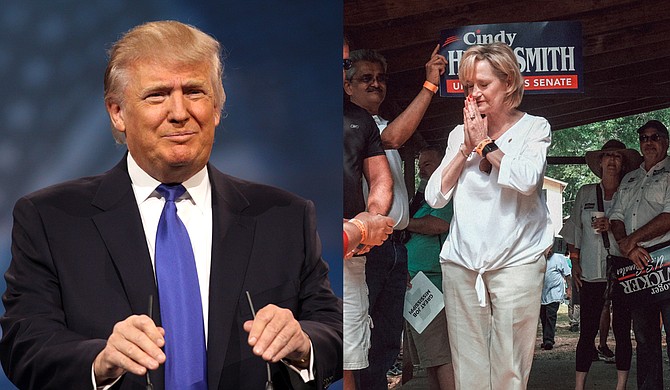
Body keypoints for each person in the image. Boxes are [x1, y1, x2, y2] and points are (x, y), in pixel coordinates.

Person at [0, 21, 342, 390]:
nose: (179, 112)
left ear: (216, 107)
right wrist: (98, 362)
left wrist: (303, 344)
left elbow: (332, 330)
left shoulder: (284, 216)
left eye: (194, 92)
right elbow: (26, 344)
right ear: (117, 112)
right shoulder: (51, 219)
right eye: (157, 95)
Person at [424, 42, 553, 390]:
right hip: (462, 264)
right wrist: (465, 147)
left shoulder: (534, 128)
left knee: (509, 368)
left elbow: (526, 181)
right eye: (469, 87)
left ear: (508, 83)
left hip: (516, 262)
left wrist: (486, 145)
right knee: (468, 368)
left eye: (484, 84)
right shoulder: (458, 135)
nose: (475, 93)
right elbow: (435, 197)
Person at [344, 45, 446, 390]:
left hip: (394, 247)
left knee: (387, 338)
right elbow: (393, 138)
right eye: (365, 78)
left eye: (380, 78)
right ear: (347, 87)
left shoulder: (381, 123)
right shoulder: (353, 127)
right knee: (359, 336)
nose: (376, 84)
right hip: (364, 243)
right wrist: (430, 86)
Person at [561, 139, 641, 390]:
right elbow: (574, 229)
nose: (612, 160)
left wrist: (614, 226)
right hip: (591, 271)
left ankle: (621, 386)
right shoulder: (586, 192)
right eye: (607, 155)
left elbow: (639, 229)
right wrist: (574, 263)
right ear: (600, 162)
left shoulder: (631, 193)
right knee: (587, 331)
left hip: (622, 269)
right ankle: (579, 385)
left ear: (624, 163)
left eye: (617, 156)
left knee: (621, 329)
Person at [342, 38, 394, 390]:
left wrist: (370, 221)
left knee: (347, 353)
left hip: (348, 248)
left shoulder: (360, 119)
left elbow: (380, 178)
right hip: (291, 246)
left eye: (344, 61)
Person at [610, 120, 670, 389]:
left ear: (666, 141)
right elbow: (616, 216)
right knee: (645, 340)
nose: (649, 141)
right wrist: (629, 246)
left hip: (666, 261)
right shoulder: (630, 177)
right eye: (643, 137)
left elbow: (669, 216)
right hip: (637, 267)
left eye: (655, 136)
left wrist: (631, 241)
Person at [404, 146, 454, 390]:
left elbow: (438, 224)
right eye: (420, 165)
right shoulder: (421, 197)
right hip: (416, 285)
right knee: (430, 358)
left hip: (434, 285)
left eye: (427, 164)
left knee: (442, 355)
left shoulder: (446, 194)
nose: (421, 170)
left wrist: (403, 223)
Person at [540, 246, 572, 351]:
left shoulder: (559, 257)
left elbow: (567, 274)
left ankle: (549, 339)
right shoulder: (538, 258)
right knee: (543, 316)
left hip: (555, 292)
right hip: (541, 293)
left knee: (550, 315)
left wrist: (569, 289)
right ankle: (546, 338)